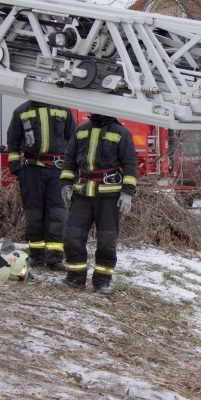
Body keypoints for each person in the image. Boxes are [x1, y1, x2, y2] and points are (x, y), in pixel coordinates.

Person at [59, 113, 137, 294]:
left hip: (109, 197)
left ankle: (102, 282)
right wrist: (65, 184)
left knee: (107, 240)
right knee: (72, 236)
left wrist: (127, 192)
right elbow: (69, 160)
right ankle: (75, 278)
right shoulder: (80, 130)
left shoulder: (121, 132)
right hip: (82, 194)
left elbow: (130, 164)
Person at [7, 100, 76, 271]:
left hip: (57, 171)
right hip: (32, 170)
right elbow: (13, 141)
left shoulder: (63, 109)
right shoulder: (21, 111)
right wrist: (18, 170)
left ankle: (55, 258)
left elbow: (74, 141)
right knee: (34, 214)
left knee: (57, 214)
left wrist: (71, 169)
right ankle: (37, 255)